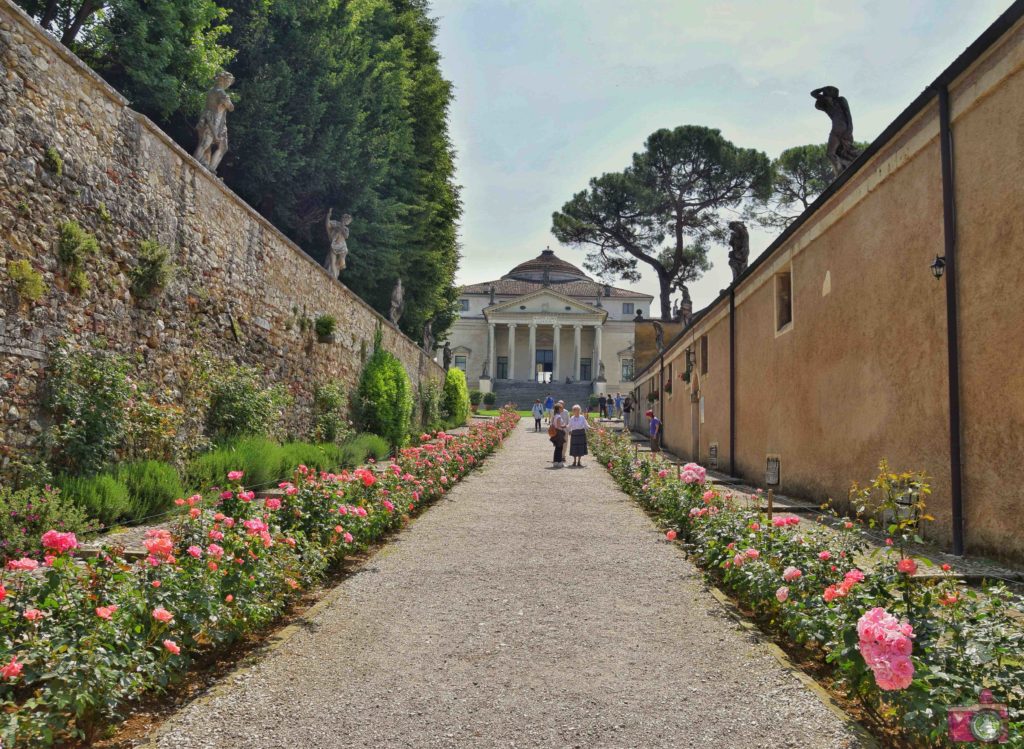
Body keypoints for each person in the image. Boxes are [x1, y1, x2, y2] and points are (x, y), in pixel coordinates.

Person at [550, 403, 568, 468]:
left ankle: (556, 462)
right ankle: (560, 462)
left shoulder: (555, 416)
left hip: (556, 433)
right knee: (560, 448)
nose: (562, 409)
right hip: (559, 433)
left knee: (557, 448)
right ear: (559, 409)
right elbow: (558, 426)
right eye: (561, 408)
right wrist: (565, 425)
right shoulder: (559, 416)